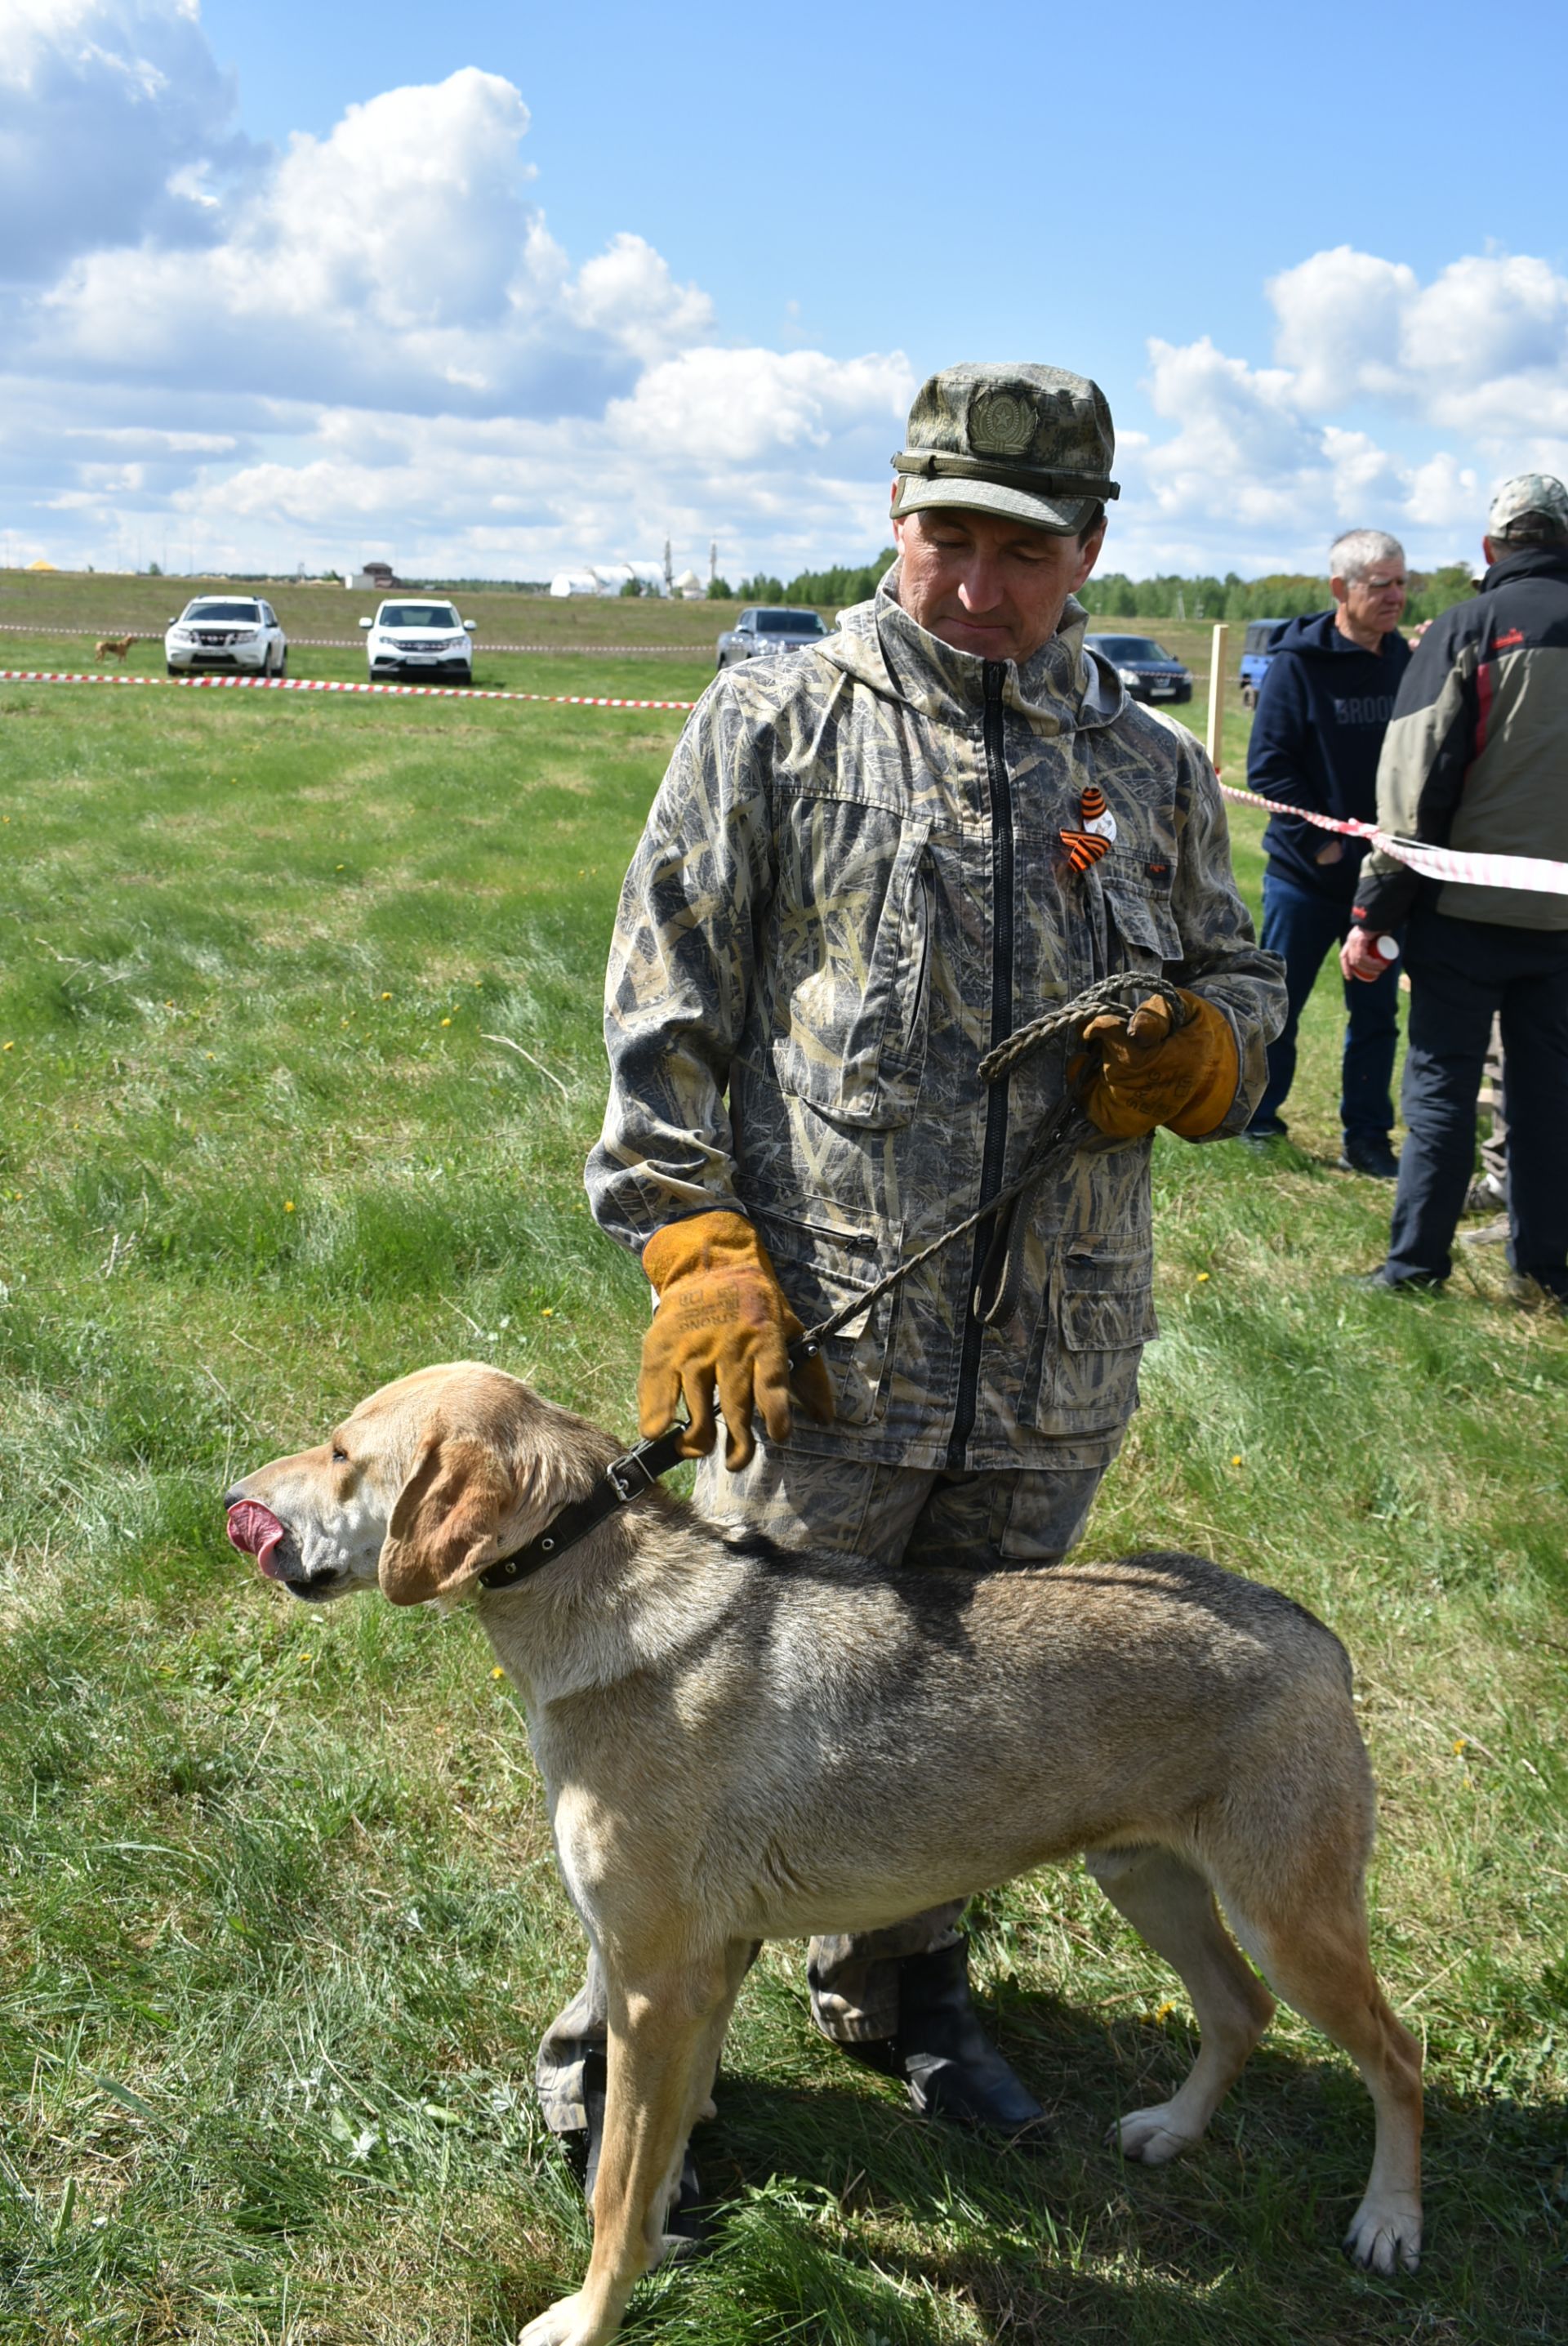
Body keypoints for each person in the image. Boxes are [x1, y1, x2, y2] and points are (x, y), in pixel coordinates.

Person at [539, 363, 1285, 2202]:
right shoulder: (776, 721)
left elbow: (1249, 989)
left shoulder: (1144, 765)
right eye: (947, 535)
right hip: (813, 1359)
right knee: (716, 1728)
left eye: (1022, 548)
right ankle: (631, 2059)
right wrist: (693, 1243)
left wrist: (1208, 1053)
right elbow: (667, 1009)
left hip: (1050, 1364)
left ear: (1089, 549)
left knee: (975, 1722)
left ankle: (902, 1979)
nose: (978, 581)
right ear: (896, 517)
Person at [1344, 474, 1568, 1303]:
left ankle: (1414, 1269)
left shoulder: (1470, 626)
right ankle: (1548, 1268)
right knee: (1548, 1098)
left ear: (1490, 549)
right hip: (1559, 925)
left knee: (1439, 1085)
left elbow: (1411, 782)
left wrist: (1373, 910)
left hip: (1464, 915)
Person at [1242, 529, 1413, 1175]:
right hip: (1307, 877)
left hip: (1385, 879)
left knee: (1376, 1012)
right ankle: (1258, 1120)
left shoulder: (1406, 661)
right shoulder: (1297, 665)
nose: (1395, 596)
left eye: (1401, 583)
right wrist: (1323, 849)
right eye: (1381, 586)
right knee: (1283, 1004)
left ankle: (1368, 1138)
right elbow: (1270, 767)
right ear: (1342, 590)